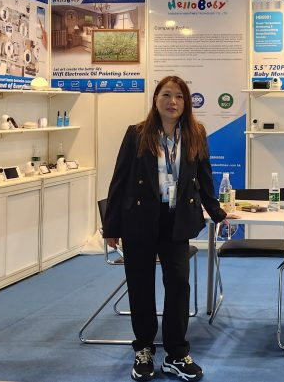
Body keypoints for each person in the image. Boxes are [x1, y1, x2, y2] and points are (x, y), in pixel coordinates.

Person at [103, 76, 238, 382]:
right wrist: (111, 225)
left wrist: (217, 213)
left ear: (186, 102)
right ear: (156, 99)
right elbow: (119, 180)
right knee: (140, 285)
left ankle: (176, 353)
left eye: (179, 96)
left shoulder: (195, 133)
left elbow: (204, 178)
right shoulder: (137, 133)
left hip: (177, 220)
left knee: (178, 285)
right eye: (166, 95)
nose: (172, 101)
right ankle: (144, 349)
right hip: (139, 220)